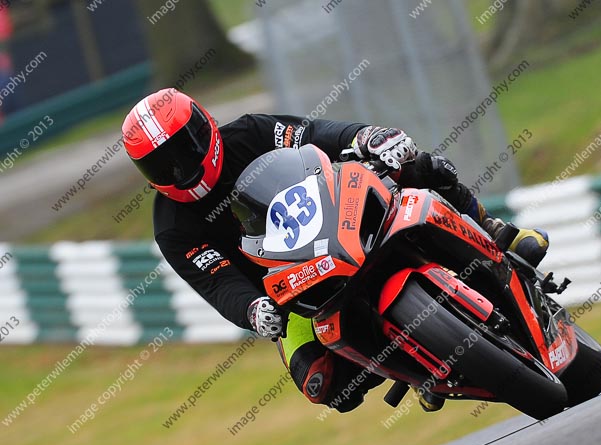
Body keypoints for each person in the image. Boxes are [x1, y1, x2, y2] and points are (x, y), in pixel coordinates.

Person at [122, 88, 550, 413]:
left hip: (341, 221)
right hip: (290, 292)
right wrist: (252, 309)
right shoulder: (172, 229)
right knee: (323, 385)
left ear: (204, 125)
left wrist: (367, 136)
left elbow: (313, 133)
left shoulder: (249, 132)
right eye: (163, 164)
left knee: (415, 165)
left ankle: (490, 229)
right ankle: (416, 362)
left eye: (186, 146)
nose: (183, 167)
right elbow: (216, 281)